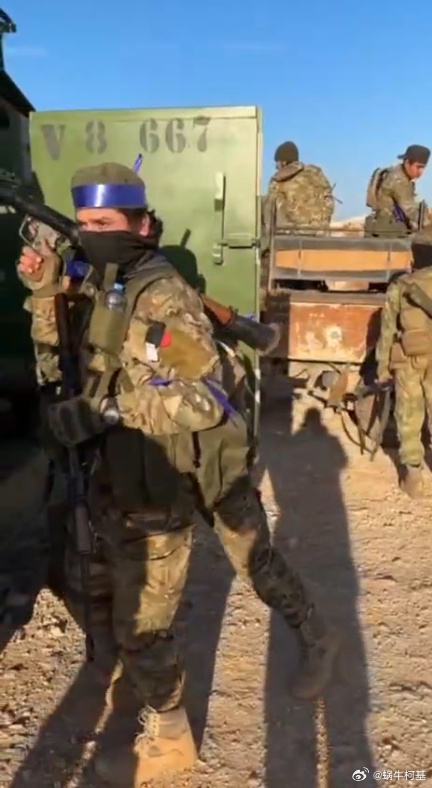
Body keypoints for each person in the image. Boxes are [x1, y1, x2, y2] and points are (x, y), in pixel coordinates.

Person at [17, 162, 340, 786]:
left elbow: (202, 399)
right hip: (135, 470)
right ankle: (142, 684)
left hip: (191, 466)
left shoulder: (163, 295)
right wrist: (44, 291)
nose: (90, 235)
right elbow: (56, 363)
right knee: (112, 595)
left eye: (104, 223)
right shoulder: (102, 280)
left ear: (141, 224)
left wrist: (109, 411)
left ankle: (189, 728)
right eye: (83, 225)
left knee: (249, 564)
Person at [375, 244, 432, 498]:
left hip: (408, 358)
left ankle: (413, 475)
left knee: (408, 414)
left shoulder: (401, 286)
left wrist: (382, 367)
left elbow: (387, 331)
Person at [263, 140, 335, 233]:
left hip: (292, 237)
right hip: (321, 234)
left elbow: (270, 215)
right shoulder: (317, 175)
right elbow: (329, 203)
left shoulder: (278, 181)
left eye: (277, 162)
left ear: (284, 162)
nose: (276, 167)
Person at [365, 144, 431, 237]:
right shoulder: (399, 180)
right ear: (407, 163)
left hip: (385, 230)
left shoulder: (396, 173)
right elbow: (411, 210)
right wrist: (429, 227)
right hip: (388, 234)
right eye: (418, 167)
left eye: (423, 167)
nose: (420, 172)